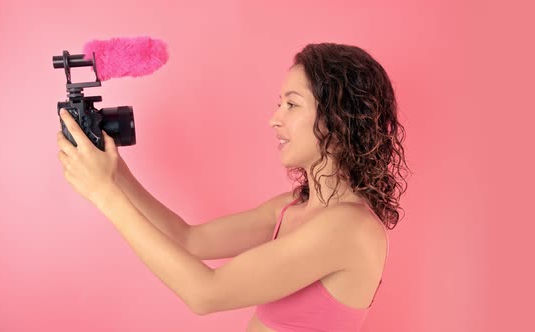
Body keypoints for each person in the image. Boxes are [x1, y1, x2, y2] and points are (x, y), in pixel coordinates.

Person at [56, 42, 409, 332]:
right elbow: (188, 239)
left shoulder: (350, 228)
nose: (275, 118)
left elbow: (205, 294)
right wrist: (117, 174)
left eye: (291, 104)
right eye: (278, 104)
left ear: (337, 118)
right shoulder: (291, 208)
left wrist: (105, 195)